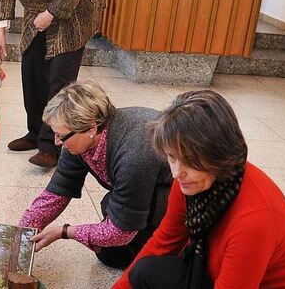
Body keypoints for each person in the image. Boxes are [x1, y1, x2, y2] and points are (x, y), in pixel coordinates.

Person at [115, 90, 285, 289]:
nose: (176, 173)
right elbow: (164, 242)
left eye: (189, 161)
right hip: (219, 273)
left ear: (218, 155)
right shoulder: (191, 181)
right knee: (145, 271)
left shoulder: (254, 219)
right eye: (171, 158)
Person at [0, 0, 107, 168]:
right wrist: (1, 28)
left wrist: (53, 13)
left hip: (77, 4)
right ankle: (35, 133)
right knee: (31, 69)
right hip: (39, 7)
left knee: (59, 79)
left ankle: (52, 145)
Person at [19, 82, 173, 269]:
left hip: (177, 194)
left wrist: (65, 231)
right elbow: (59, 190)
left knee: (122, 254)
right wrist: (23, 231)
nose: (56, 142)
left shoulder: (134, 153)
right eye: (55, 134)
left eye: (61, 136)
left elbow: (120, 232)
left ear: (92, 128)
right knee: (109, 250)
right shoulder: (76, 136)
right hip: (142, 186)